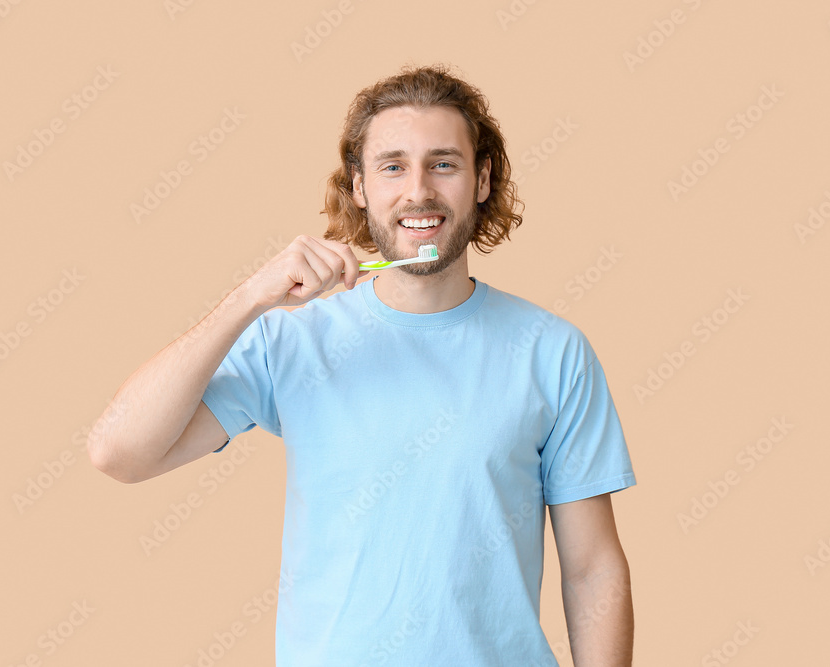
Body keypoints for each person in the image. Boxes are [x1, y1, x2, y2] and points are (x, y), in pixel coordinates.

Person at [89, 63, 636, 666]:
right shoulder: (292, 339)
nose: (419, 191)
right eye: (393, 166)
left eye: (444, 164)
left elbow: (591, 569)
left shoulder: (552, 352)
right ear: (359, 187)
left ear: (481, 180)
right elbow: (119, 452)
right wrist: (247, 299)